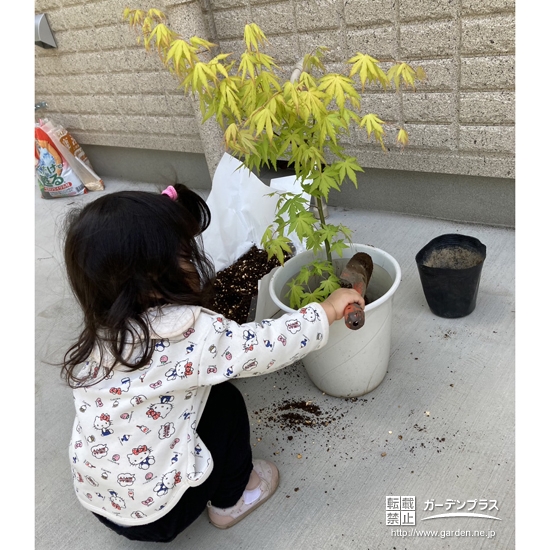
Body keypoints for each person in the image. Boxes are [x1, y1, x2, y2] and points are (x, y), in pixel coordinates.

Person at [61, 183, 364, 543]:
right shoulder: (188, 333)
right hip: (163, 513)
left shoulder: (101, 332)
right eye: (185, 255)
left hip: (105, 501)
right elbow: (265, 346)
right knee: (225, 403)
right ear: (155, 278)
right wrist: (326, 311)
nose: (194, 261)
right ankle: (233, 500)